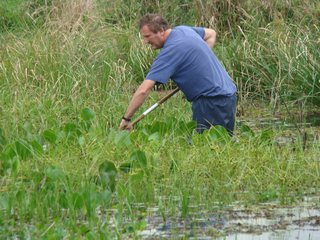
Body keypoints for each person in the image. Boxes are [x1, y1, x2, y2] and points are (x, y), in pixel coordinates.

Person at [119, 13, 237, 134]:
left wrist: (126, 118)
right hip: (229, 95)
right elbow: (211, 33)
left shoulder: (170, 51)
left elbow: (144, 90)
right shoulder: (183, 30)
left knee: (204, 146)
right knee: (223, 143)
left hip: (211, 101)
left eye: (148, 36)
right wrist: (198, 60)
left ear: (161, 31)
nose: (145, 41)